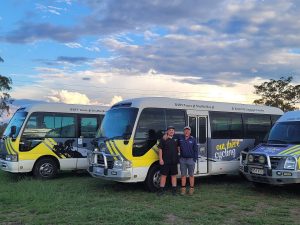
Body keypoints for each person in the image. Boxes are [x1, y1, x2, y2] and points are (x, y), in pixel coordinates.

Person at [157, 126, 179, 196]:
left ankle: (174, 190)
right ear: (167, 132)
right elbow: (160, 149)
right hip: (165, 161)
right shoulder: (163, 139)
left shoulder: (176, 139)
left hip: (174, 161)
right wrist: (160, 159)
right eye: (170, 130)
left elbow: (178, 148)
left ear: (174, 132)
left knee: (174, 176)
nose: (171, 131)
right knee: (163, 175)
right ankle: (161, 190)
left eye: (173, 130)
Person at [178, 126, 198, 195]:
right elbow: (176, 146)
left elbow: (196, 150)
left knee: (191, 175)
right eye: (185, 130)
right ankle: (183, 189)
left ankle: (191, 189)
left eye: (188, 130)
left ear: (190, 132)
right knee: (183, 175)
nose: (186, 132)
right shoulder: (180, 138)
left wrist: (194, 159)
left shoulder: (193, 139)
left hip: (191, 160)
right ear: (183, 132)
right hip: (182, 160)